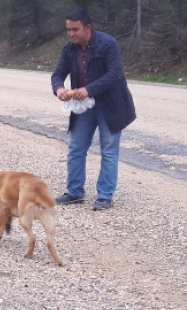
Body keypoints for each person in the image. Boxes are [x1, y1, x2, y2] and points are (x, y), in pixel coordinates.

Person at [51, 9, 136, 210]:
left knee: (109, 150)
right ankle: (74, 192)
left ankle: (105, 196)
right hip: (83, 107)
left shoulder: (108, 44)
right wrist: (59, 88)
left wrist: (89, 89)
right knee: (75, 149)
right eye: (68, 30)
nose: (71, 34)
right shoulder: (69, 49)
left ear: (87, 28)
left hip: (110, 105)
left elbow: (115, 74)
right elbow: (57, 74)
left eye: (75, 30)